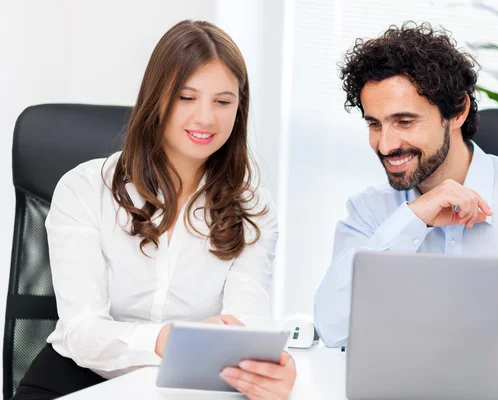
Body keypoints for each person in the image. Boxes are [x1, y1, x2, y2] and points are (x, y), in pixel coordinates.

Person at [14, 20, 295, 400]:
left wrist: (265, 364)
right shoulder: (84, 188)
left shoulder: (253, 208)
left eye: (223, 101)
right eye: (186, 97)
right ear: (156, 98)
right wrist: (164, 340)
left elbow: (247, 316)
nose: (206, 118)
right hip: (78, 376)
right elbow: (81, 331)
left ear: (239, 108)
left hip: (187, 383)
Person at [314, 22, 498, 348]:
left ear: (458, 112)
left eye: (405, 121)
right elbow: (333, 329)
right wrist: (412, 219)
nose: (386, 145)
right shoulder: (370, 213)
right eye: (375, 124)